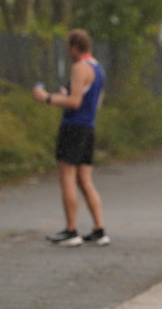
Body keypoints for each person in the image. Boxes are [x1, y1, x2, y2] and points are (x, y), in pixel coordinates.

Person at [31, 29, 110, 247]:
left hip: (73, 126)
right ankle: (99, 229)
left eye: (68, 47)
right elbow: (94, 103)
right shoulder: (98, 68)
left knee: (67, 177)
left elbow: (75, 102)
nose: (68, 52)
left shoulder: (79, 67)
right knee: (85, 179)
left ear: (75, 46)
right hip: (89, 127)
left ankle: (71, 229)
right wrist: (66, 96)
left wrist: (47, 98)